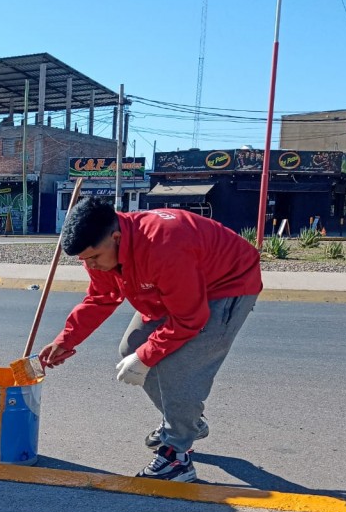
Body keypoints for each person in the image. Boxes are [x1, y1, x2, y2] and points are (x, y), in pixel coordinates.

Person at [38, 198, 262, 483]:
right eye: (84, 261)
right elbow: (102, 297)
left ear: (116, 238)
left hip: (226, 285)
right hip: (178, 286)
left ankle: (177, 456)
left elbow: (189, 319)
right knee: (129, 348)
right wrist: (66, 340)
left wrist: (147, 357)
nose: (91, 266)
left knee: (176, 367)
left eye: (93, 258)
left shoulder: (163, 246)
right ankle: (187, 421)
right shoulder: (103, 246)